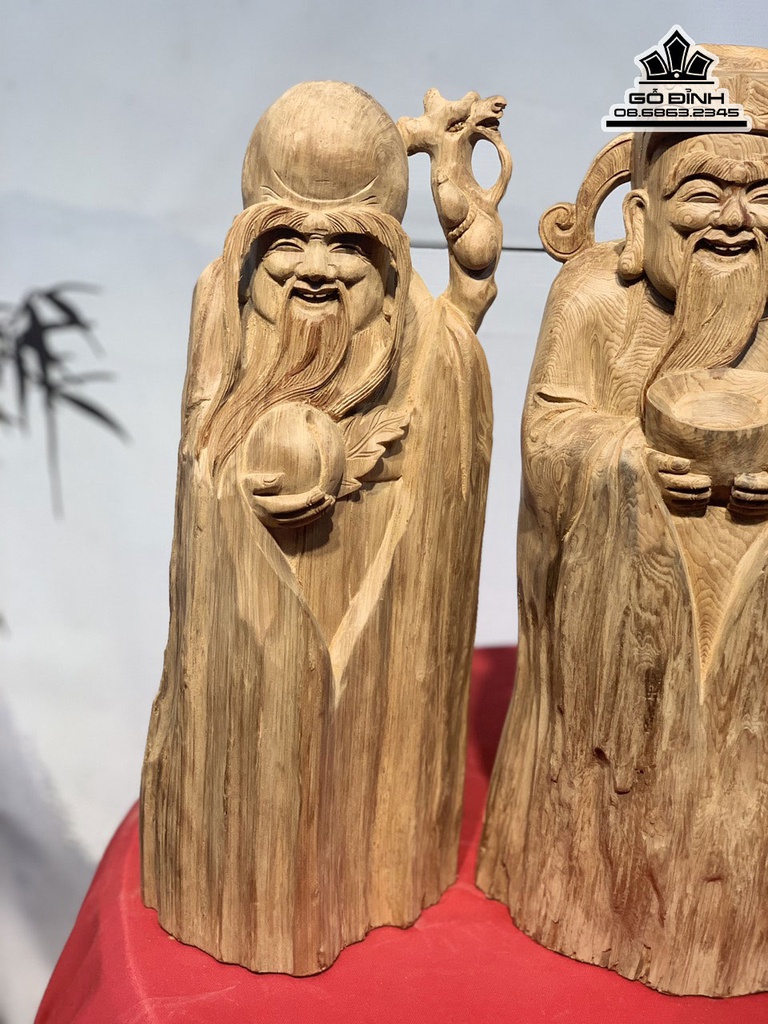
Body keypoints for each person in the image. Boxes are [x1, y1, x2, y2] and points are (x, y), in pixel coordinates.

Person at [142, 81, 509, 974]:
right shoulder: (219, 305)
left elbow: (447, 421)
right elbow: (199, 450)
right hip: (248, 663)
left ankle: (374, 861)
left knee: (366, 770)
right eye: (287, 242)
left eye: (347, 243)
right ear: (250, 246)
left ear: (387, 259)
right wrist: (244, 479)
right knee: (253, 772)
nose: (314, 268)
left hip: (379, 660)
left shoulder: (421, 334)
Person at [478, 46, 768, 996]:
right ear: (640, 216)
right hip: (615, 646)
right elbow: (551, 431)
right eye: (705, 191)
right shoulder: (597, 297)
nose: (734, 219)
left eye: (762, 192)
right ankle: (592, 883)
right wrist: (636, 461)